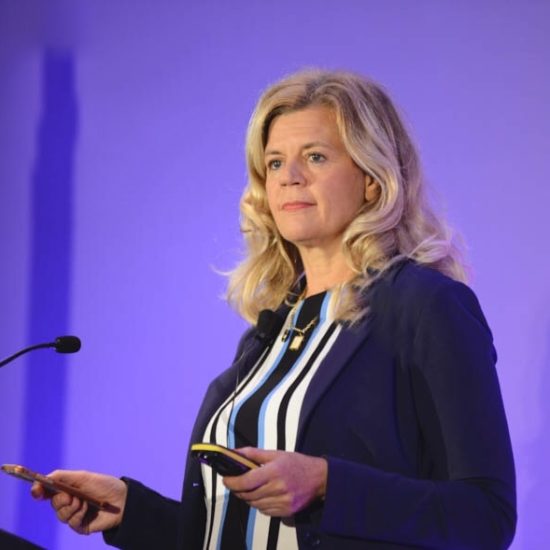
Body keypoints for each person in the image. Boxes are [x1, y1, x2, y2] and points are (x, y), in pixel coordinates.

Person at [32, 69, 516, 549]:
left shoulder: (425, 306)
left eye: (316, 157)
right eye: (276, 163)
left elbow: (486, 515)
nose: (290, 177)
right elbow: (244, 533)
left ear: (372, 179)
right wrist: (132, 511)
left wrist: (328, 484)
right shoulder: (271, 333)